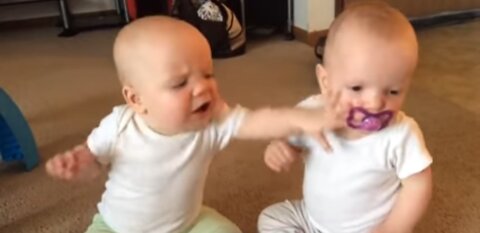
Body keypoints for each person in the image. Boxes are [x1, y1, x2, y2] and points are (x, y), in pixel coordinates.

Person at [45, 16, 343, 233]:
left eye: (208, 74)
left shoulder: (212, 121)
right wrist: (80, 162)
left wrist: (306, 118)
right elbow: (94, 159)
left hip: (185, 224)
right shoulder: (119, 125)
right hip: (117, 226)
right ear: (136, 99)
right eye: (179, 83)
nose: (202, 88)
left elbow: (259, 121)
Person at [258, 2, 433, 233]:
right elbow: (292, 138)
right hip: (313, 220)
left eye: (393, 91)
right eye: (357, 87)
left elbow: (418, 185)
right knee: (270, 219)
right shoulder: (311, 113)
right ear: (326, 82)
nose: (375, 103)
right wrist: (282, 147)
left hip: (369, 229)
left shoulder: (401, 134)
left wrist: (391, 228)